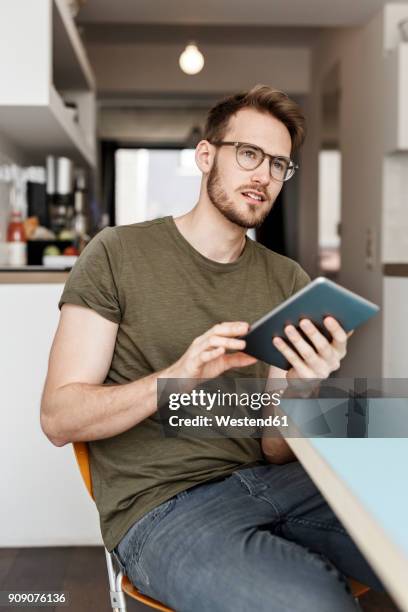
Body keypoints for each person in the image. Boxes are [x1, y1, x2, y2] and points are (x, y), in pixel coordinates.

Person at [40, 85, 383, 611]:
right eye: (249, 154)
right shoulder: (116, 253)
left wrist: (302, 386)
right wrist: (178, 375)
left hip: (276, 482)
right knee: (311, 602)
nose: (263, 176)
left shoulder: (287, 278)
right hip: (164, 508)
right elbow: (59, 418)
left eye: (279, 165)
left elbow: (273, 446)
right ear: (206, 156)